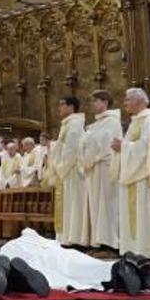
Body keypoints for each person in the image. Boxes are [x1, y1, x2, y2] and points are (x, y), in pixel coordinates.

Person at [0, 228, 150, 296]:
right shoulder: (40, 239)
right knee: (88, 266)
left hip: (44, 261)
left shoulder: (10, 247)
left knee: (76, 274)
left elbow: (2, 261)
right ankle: (129, 266)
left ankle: (119, 276)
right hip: (63, 253)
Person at [112, 88, 150, 258]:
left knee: (143, 211)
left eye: (127, 100)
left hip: (142, 176)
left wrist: (122, 146)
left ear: (139, 101)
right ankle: (132, 249)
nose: (125, 103)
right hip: (131, 173)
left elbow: (146, 147)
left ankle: (144, 250)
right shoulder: (136, 121)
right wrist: (122, 147)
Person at [81, 90, 122, 250]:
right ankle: (99, 241)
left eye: (95, 101)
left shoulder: (112, 121)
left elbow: (107, 144)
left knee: (107, 204)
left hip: (105, 167)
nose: (91, 104)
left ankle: (110, 243)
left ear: (105, 102)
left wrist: (91, 156)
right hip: (93, 168)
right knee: (97, 205)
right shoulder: (96, 123)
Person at [48, 96, 88, 246]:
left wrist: (60, 166)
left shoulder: (75, 124)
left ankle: (74, 238)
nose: (59, 108)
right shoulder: (67, 124)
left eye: (62, 104)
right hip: (66, 171)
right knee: (68, 204)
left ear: (72, 107)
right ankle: (66, 237)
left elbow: (72, 149)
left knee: (74, 204)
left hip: (72, 171)